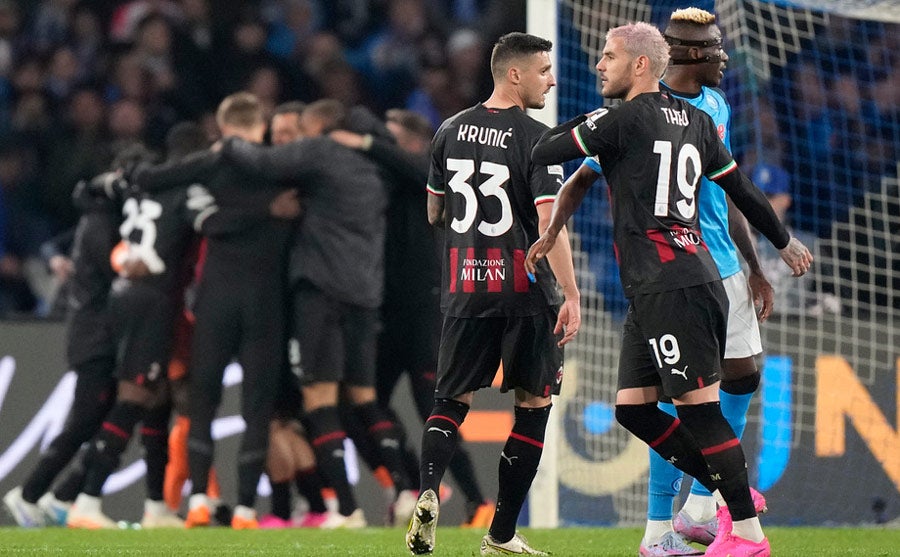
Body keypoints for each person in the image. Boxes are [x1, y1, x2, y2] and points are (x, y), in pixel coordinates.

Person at [527, 22, 812, 557]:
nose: (598, 66)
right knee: (633, 408)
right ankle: (726, 488)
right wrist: (783, 240)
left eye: (608, 57)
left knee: (700, 411)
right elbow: (742, 191)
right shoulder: (700, 120)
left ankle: (746, 532)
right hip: (659, 284)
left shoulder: (619, 120)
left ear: (640, 65)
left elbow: (545, 150)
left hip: (674, 282)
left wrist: (590, 116)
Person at [405, 32, 581, 556]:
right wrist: (570, 292)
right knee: (533, 405)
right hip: (526, 291)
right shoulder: (537, 136)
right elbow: (551, 223)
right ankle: (500, 535)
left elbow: (436, 212)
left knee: (448, 402)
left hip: (465, 289)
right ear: (514, 74)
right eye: (544, 70)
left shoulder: (449, 130)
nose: (552, 78)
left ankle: (431, 490)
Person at [220, 98, 415, 529]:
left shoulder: (321, 151)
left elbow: (263, 163)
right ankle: (405, 490)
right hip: (366, 295)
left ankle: (347, 510)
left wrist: (230, 144)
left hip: (323, 292)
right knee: (365, 397)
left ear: (321, 127)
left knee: (319, 400)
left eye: (306, 127)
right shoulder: (373, 170)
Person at [330, 108, 495, 527]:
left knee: (431, 409)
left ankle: (479, 502)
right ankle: (406, 482)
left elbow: (418, 170)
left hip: (425, 311)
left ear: (415, 141)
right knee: (360, 406)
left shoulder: (430, 173)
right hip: (386, 313)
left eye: (391, 138)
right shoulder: (381, 182)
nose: (383, 147)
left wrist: (368, 142)